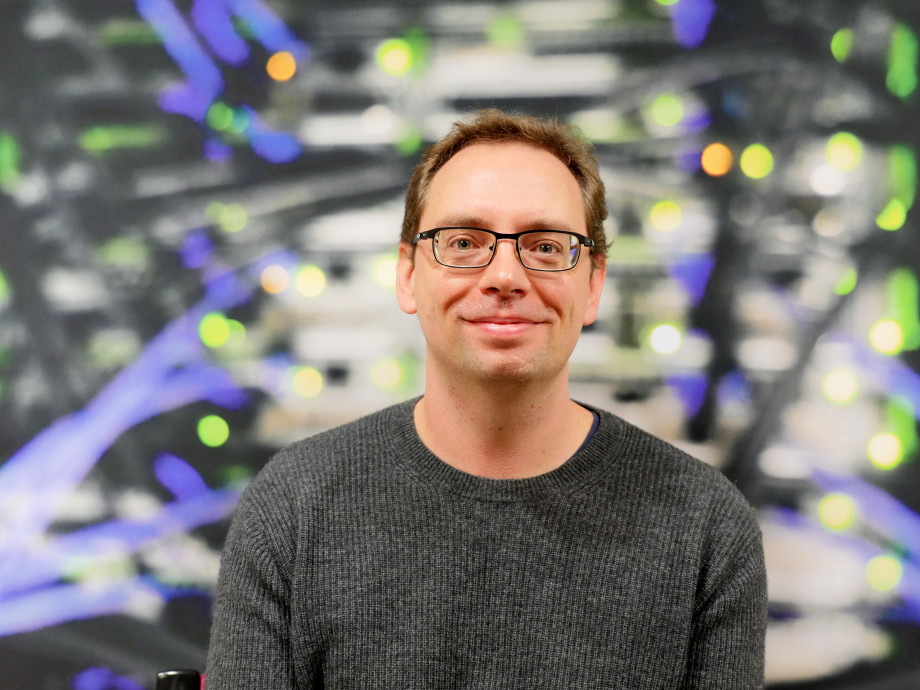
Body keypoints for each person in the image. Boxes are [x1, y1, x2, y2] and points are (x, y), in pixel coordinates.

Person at [206, 108, 768, 688]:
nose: (505, 276)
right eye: (464, 242)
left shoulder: (705, 526)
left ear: (594, 283)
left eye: (547, 246)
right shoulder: (293, 509)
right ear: (407, 274)